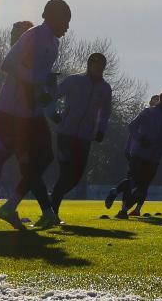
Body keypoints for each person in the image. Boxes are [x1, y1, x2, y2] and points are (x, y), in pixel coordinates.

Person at [0, 0, 71, 232]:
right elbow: (8, 64)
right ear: (52, 17)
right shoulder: (35, 36)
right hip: (11, 110)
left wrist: (50, 109)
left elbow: (40, 82)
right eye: (65, 21)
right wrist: (37, 80)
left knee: (37, 158)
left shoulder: (53, 43)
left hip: (30, 112)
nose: (67, 27)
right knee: (2, 160)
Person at [46, 52, 113, 217]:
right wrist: (52, 112)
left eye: (101, 66)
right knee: (66, 171)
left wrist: (101, 130)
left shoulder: (105, 88)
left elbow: (105, 113)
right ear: (89, 65)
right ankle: (52, 210)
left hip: (84, 137)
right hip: (65, 134)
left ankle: (52, 198)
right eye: (95, 65)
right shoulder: (74, 80)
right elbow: (54, 95)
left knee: (76, 178)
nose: (98, 68)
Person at [109, 91, 162, 217]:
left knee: (142, 187)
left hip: (155, 158)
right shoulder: (148, 112)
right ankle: (121, 206)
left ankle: (118, 198)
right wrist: (140, 139)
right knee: (135, 182)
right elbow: (131, 126)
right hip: (139, 153)